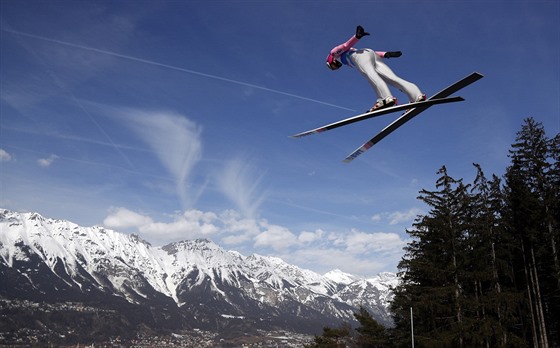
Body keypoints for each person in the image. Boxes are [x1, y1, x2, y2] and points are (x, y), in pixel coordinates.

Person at [326, 25, 426, 112]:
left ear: (330, 60)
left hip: (360, 57)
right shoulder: (347, 55)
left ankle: (385, 99)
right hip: (371, 54)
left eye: (333, 66)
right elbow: (371, 54)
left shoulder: (334, 53)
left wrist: (356, 37)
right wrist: (387, 54)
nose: (336, 68)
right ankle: (417, 96)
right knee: (392, 79)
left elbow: (345, 45)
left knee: (371, 75)